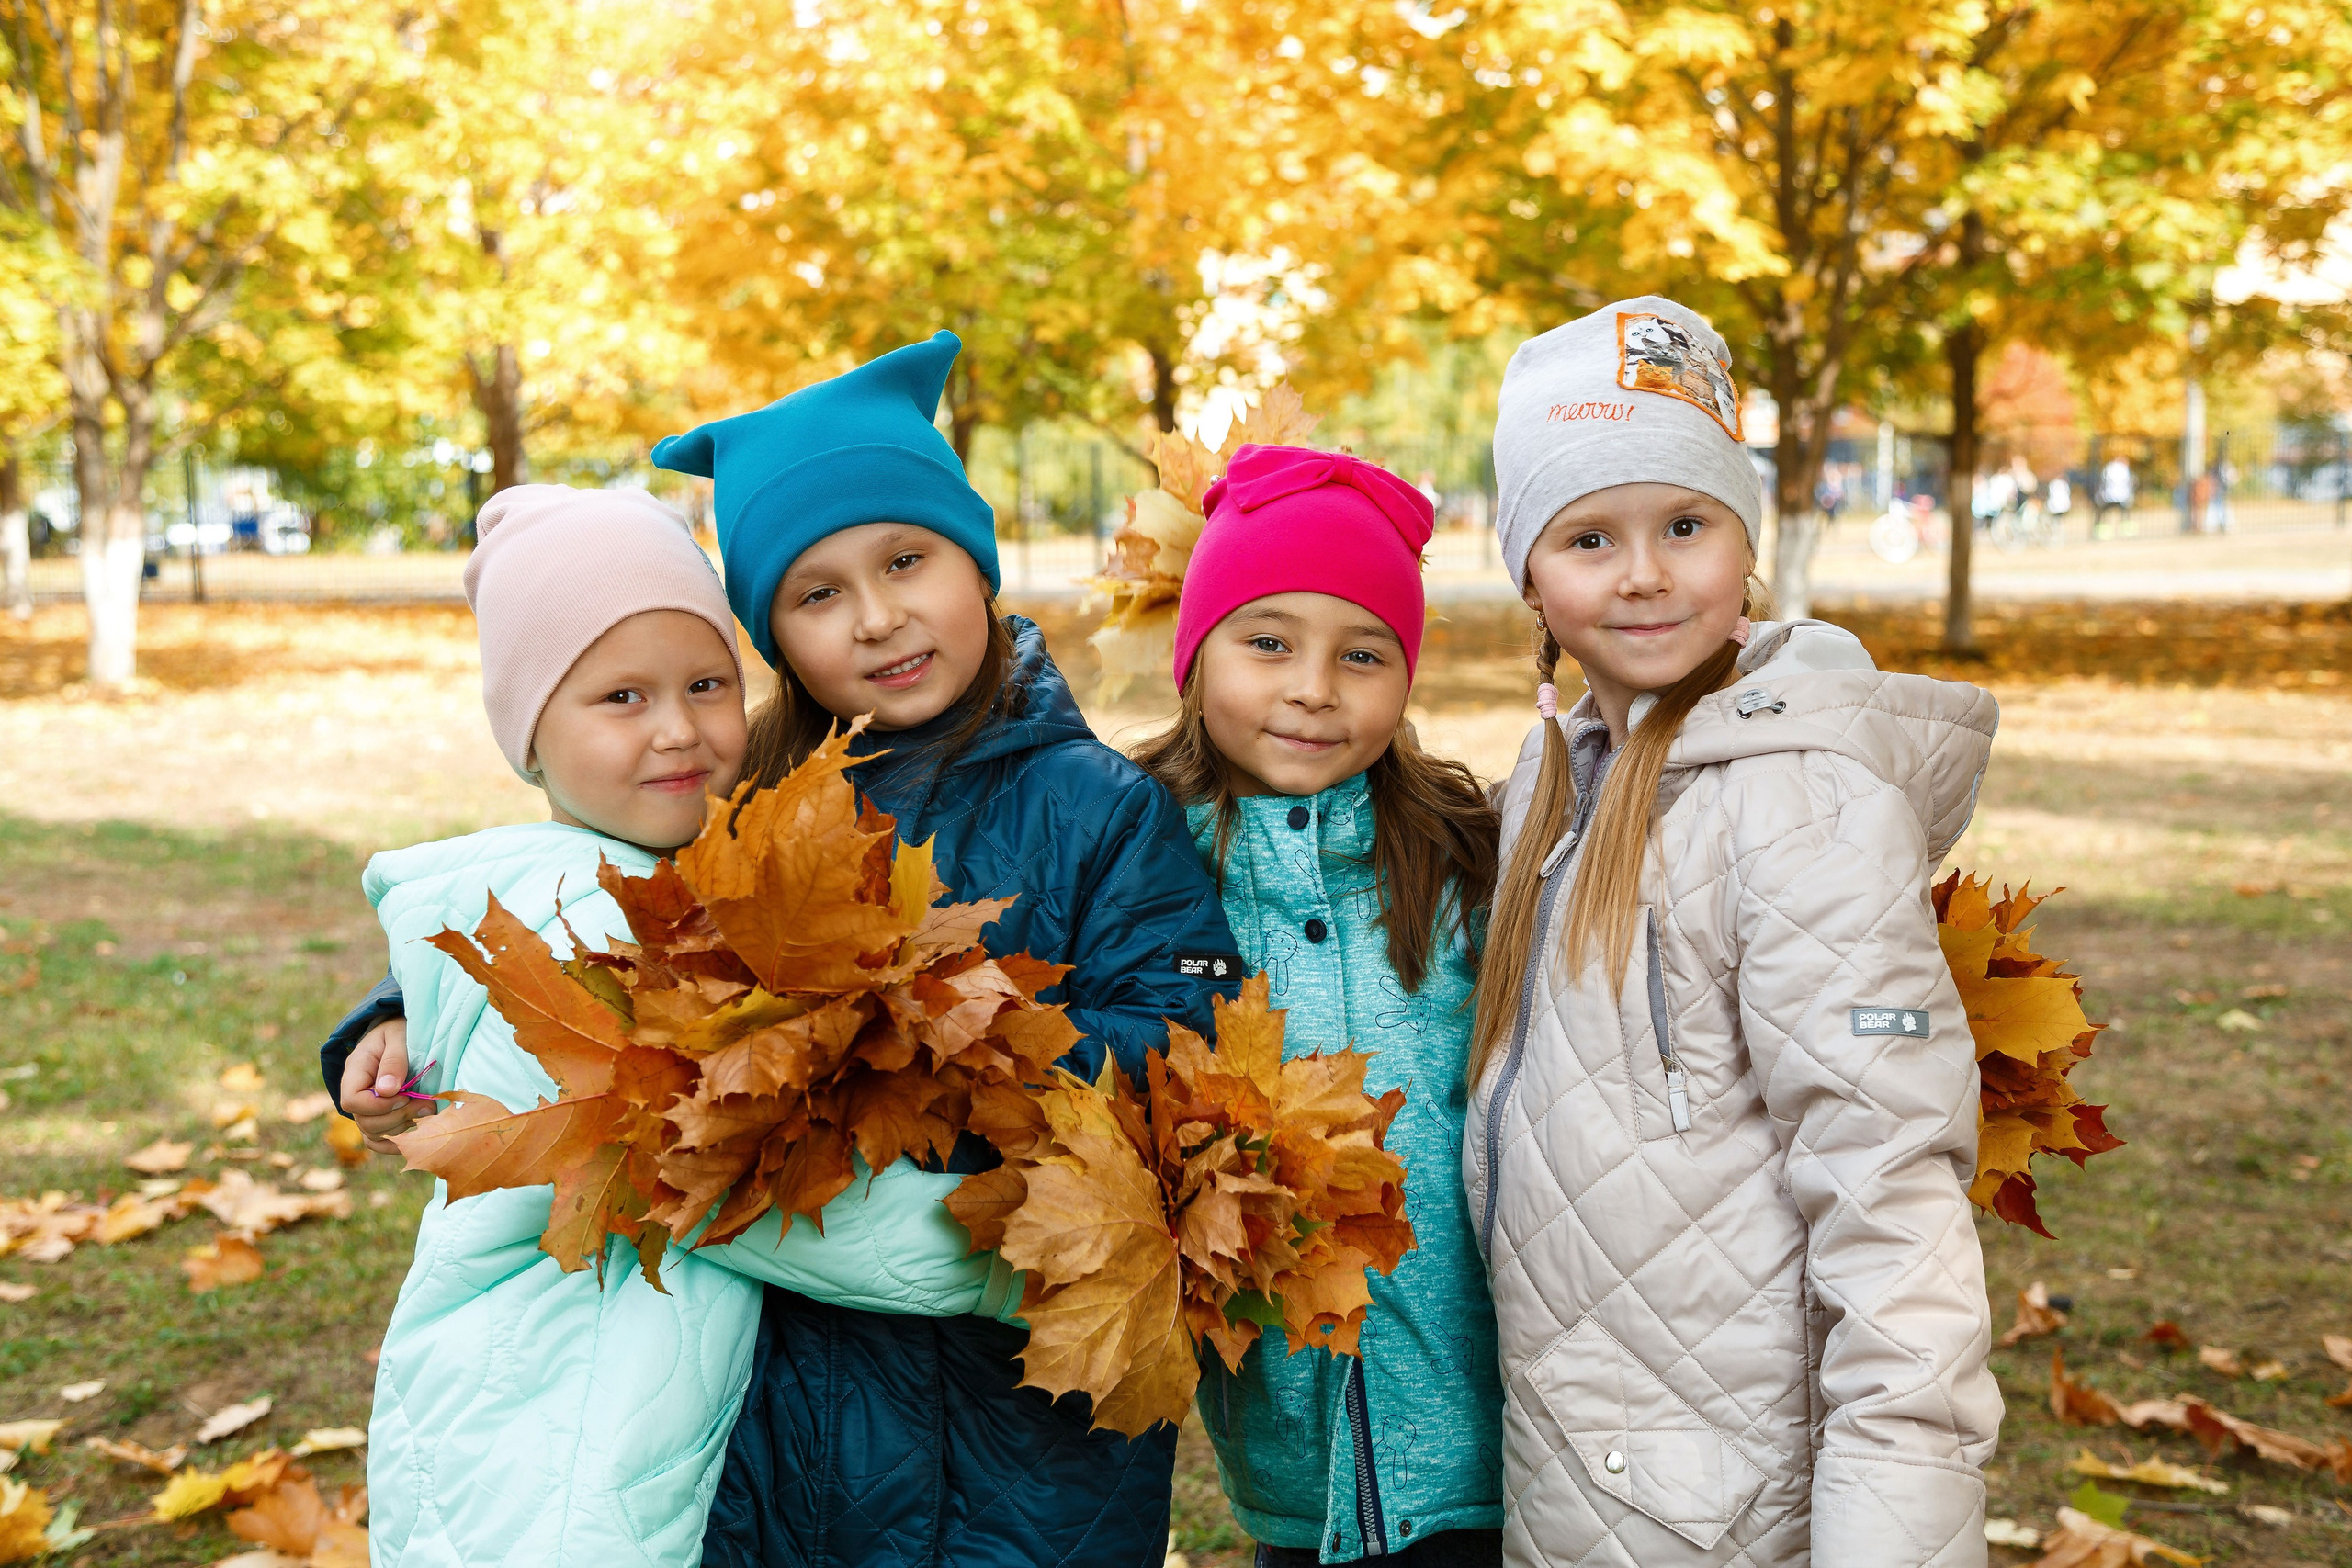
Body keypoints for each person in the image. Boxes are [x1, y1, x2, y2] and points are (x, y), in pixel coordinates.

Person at [326, 333, 1242, 1567]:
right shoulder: (737, 793)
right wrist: (394, 1011)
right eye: (816, 593)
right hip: (782, 1419)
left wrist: (957, 1034)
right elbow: (588, 916)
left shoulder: (1097, 806)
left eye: (908, 559)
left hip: (1019, 1424)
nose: (877, 616)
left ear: (976, 564)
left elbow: (1187, 1054)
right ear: (772, 632)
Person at [363, 485, 1010, 1568]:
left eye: (707, 684)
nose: (678, 730)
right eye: (620, 696)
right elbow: (732, 1190)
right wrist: (1015, 1259)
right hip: (557, 1450)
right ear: (529, 739)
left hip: (565, 1411)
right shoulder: (585, 927)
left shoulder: (606, 888)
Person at [1468, 298, 2002, 1566]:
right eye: (1590, 535)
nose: (1645, 571)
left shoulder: (1794, 796)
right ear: (1531, 580)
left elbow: (1892, 1188)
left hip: (1730, 1510)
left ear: (1745, 549)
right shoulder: (1558, 784)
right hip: (1592, 1471)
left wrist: (1895, 1533)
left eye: (1687, 524)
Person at [1131, 445, 1506, 1567]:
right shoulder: (1137, 866)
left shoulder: (1462, 861)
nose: (1312, 688)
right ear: (1195, 659)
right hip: (1285, 1435)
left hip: (1489, 1425)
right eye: (1267, 642)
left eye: (1363, 655)